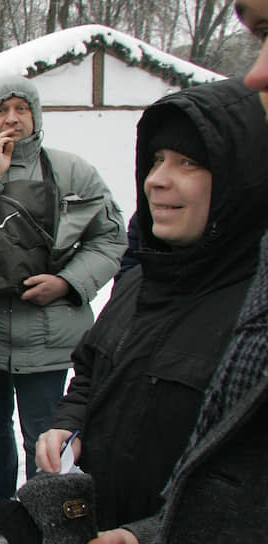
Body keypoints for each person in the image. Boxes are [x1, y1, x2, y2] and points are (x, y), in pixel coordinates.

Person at [34, 77, 268, 542]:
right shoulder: (140, 279)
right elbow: (91, 374)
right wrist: (69, 424)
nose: (157, 179)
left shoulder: (255, 318)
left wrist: (152, 534)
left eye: (189, 163)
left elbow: (249, 491)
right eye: (157, 159)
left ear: (241, 180)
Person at [0, 75, 127, 515]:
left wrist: (68, 283)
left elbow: (110, 238)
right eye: (1, 110)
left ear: (36, 116)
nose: (12, 118)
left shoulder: (74, 172)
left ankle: (43, 519)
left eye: (22, 108)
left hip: (48, 339)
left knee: (44, 438)